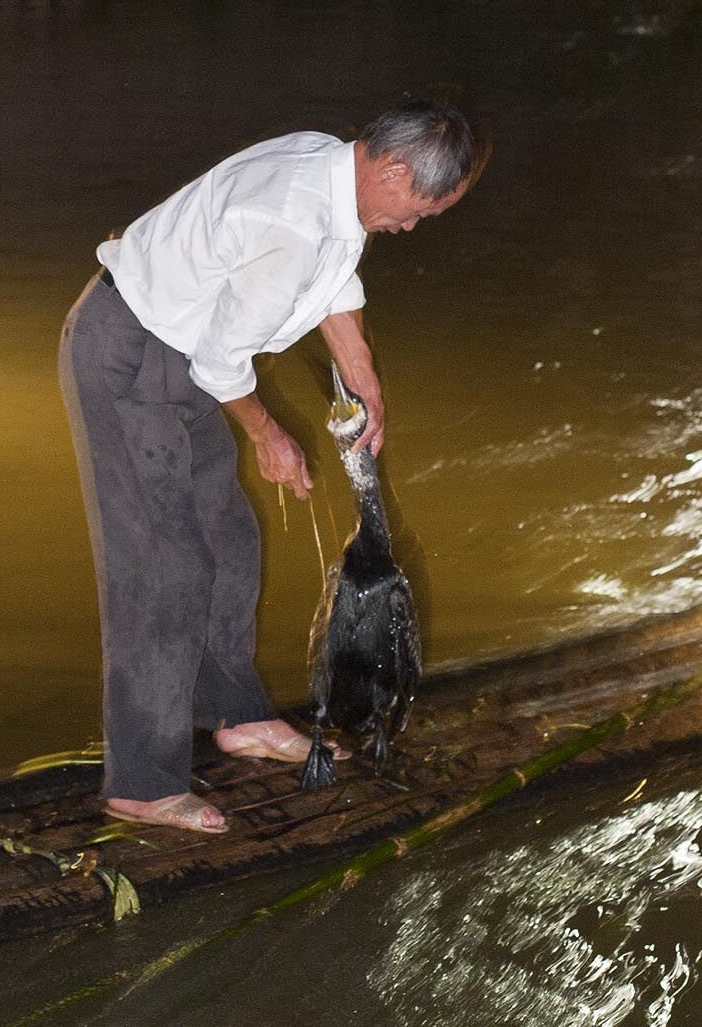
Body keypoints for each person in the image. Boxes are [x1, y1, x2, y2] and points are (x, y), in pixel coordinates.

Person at [59, 100, 479, 834]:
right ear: (392, 168)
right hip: (128, 352)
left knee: (230, 539)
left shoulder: (331, 165)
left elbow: (330, 276)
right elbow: (228, 362)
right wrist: (270, 435)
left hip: (182, 348)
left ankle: (237, 716)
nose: (410, 228)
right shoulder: (290, 221)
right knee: (165, 565)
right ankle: (142, 778)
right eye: (415, 211)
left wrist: (363, 372)